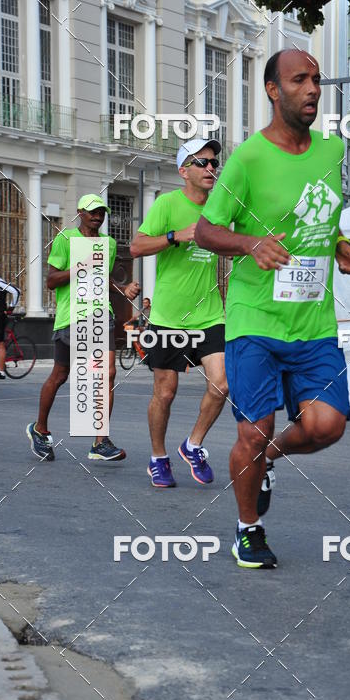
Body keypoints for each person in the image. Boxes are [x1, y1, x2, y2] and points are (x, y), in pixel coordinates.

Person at [194, 48, 350, 568]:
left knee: (327, 424)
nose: (313, 89)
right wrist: (250, 244)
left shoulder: (331, 151)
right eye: (299, 80)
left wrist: (339, 242)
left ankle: (268, 459)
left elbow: (321, 209)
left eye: (316, 79)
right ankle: (249, 529)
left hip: (312, 320)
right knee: (253, 428)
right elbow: (205, 230)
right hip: (256, 319)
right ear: (273, 90)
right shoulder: (247, 159)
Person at [130, 138, 228, 489]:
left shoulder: (220, 206)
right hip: (169, 317)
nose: (211, 168)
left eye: (214, 163)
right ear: (183, 170)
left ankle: (193, 444)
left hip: (210, 313)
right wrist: (177, 236)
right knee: (165, 393)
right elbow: (136, 246)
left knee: (222, 384)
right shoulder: (167, 203)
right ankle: (158, 458)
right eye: (202, 163)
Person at [26, 194, 139, 461]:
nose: (97, 216)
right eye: (91, 212)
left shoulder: (108, 244)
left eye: (101, 212)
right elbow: (51, 281)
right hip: (71, 317)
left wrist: (123, 289)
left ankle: (100, 441)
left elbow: (104, 278)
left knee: (107, 374)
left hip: (101, 315)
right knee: (60, 375)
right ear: (80, 213)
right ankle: (39, 429)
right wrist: (80, 268)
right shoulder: (65, 239)